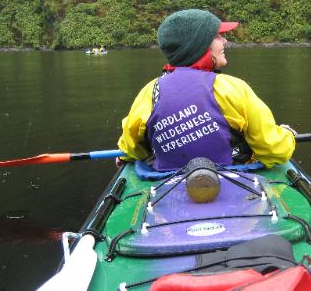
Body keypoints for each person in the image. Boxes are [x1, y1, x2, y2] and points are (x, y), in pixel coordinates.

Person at [117, 9, 296, 171]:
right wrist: (287, 136)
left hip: (166, 182)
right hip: (234, 178)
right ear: (200, 46)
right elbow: (274, 150)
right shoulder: (233, 88)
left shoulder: (149, 91)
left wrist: (124, 156)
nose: (225, 40)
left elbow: (131, 146)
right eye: (218, 36)